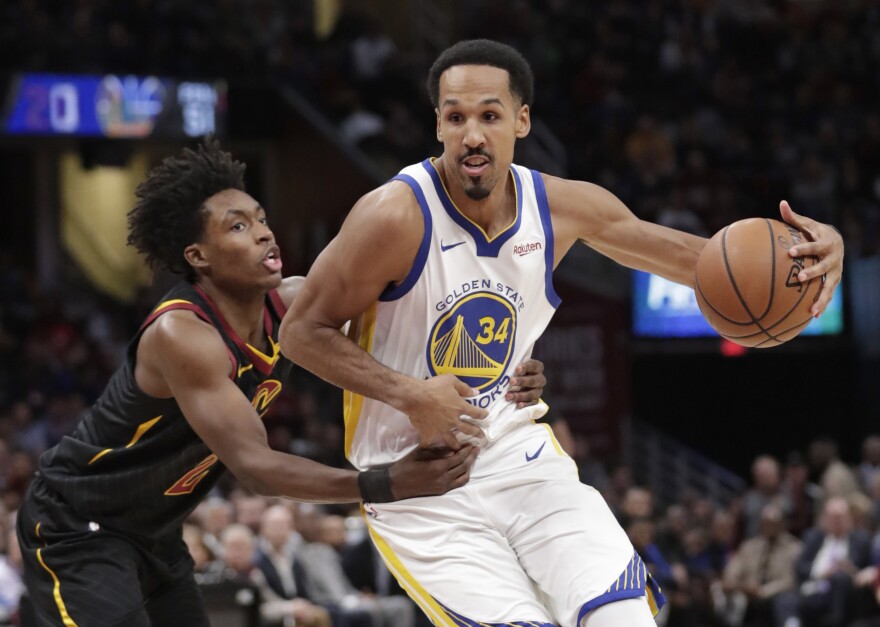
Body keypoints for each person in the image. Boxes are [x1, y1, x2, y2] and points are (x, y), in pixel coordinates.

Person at [279, 39, 845, 627]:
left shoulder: (561, 207)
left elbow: (704, 263)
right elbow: (302, 332)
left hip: (518, 458)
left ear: (521, 121)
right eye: (456, 117)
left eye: (490, 115)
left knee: (624, 617)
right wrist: (409, 394)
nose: (472, 134)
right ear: (439, 125)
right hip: (418, 486)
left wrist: (816, 252)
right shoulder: (393, 216)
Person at [15, 140, 548, 627]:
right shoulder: (182, 335)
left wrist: (511, 366)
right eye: (237, 226)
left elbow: (425, 326)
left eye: (261, 218)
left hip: (153, 530)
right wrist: (386, 483)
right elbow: (258, 469)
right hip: (76, 523)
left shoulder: (295, 304)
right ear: (197, 257)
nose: (264, 231)